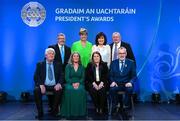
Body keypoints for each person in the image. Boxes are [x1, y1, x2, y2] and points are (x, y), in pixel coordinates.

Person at [33, 48, 63, 119]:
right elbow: (36, 76)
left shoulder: (58, 64)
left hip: (54, 85)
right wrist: (40, 84)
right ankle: (40, 112)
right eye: (49, 53)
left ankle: (54, 111)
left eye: (53, 54)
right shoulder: (40, 64)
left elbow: (62, 75)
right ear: (45, 55)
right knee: (36, 90)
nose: (51, 55)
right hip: (44, 85)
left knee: (60, 90)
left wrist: (59, 83)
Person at [109, 47, 136, 116]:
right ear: (118, 54)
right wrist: (112, 82)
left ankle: (125, 106)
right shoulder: (113, 63)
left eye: (123, 53)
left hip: (126, 83)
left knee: (129, 89)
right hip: (116, 83)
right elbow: (110, 75)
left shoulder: (131, 63)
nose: (122, 55)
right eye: (120, 53)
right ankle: (116, 105)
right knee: (112, 89)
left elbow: (134, 76)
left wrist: (130, 82)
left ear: (126, 53)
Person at [48, 33, 71, 112]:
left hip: (65, 73)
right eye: (60, 38)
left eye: (63, 38)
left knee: (62, 90)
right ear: (57, 39)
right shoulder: (52, 47)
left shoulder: (68, 49)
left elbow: (68, 62)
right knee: (52, 90)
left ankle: (61, 107)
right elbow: (48, 59)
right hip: (54, 73)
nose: (62, 40)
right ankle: (52, 107)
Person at [60, 52, 87, 117]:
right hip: (69, 83)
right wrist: (72, 83)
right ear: (72, 58)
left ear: (79, 58)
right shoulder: (68, 66)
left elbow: (83, 77)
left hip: (79, 83)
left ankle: (80, 112)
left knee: (81, 90)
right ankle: (69, 112)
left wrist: (78, 83)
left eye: (77, 56)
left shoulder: (82, 66)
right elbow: (67, 77)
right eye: (74, 56)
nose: (76, 57)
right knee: (69, 89)